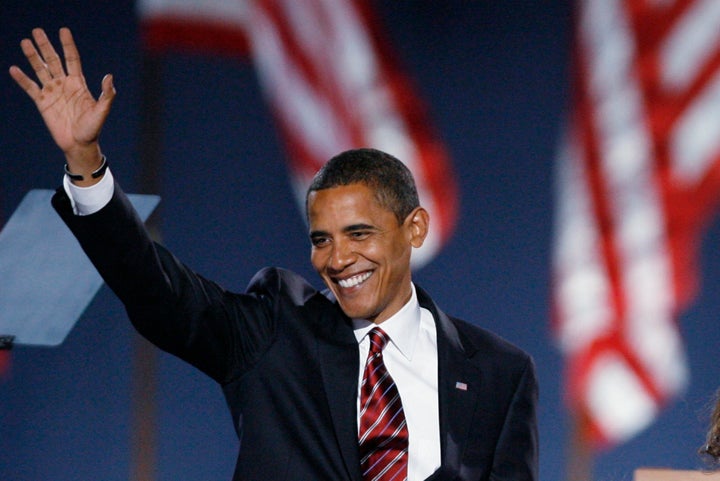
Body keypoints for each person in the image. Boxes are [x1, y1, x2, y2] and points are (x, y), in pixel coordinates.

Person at [10, 27, 538, 481]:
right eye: (321, 239)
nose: (337, 258)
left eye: (359, 234)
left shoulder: (499, 372)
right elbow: (159, 292)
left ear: (414, 228)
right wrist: (85, 161)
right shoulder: (277, 332)